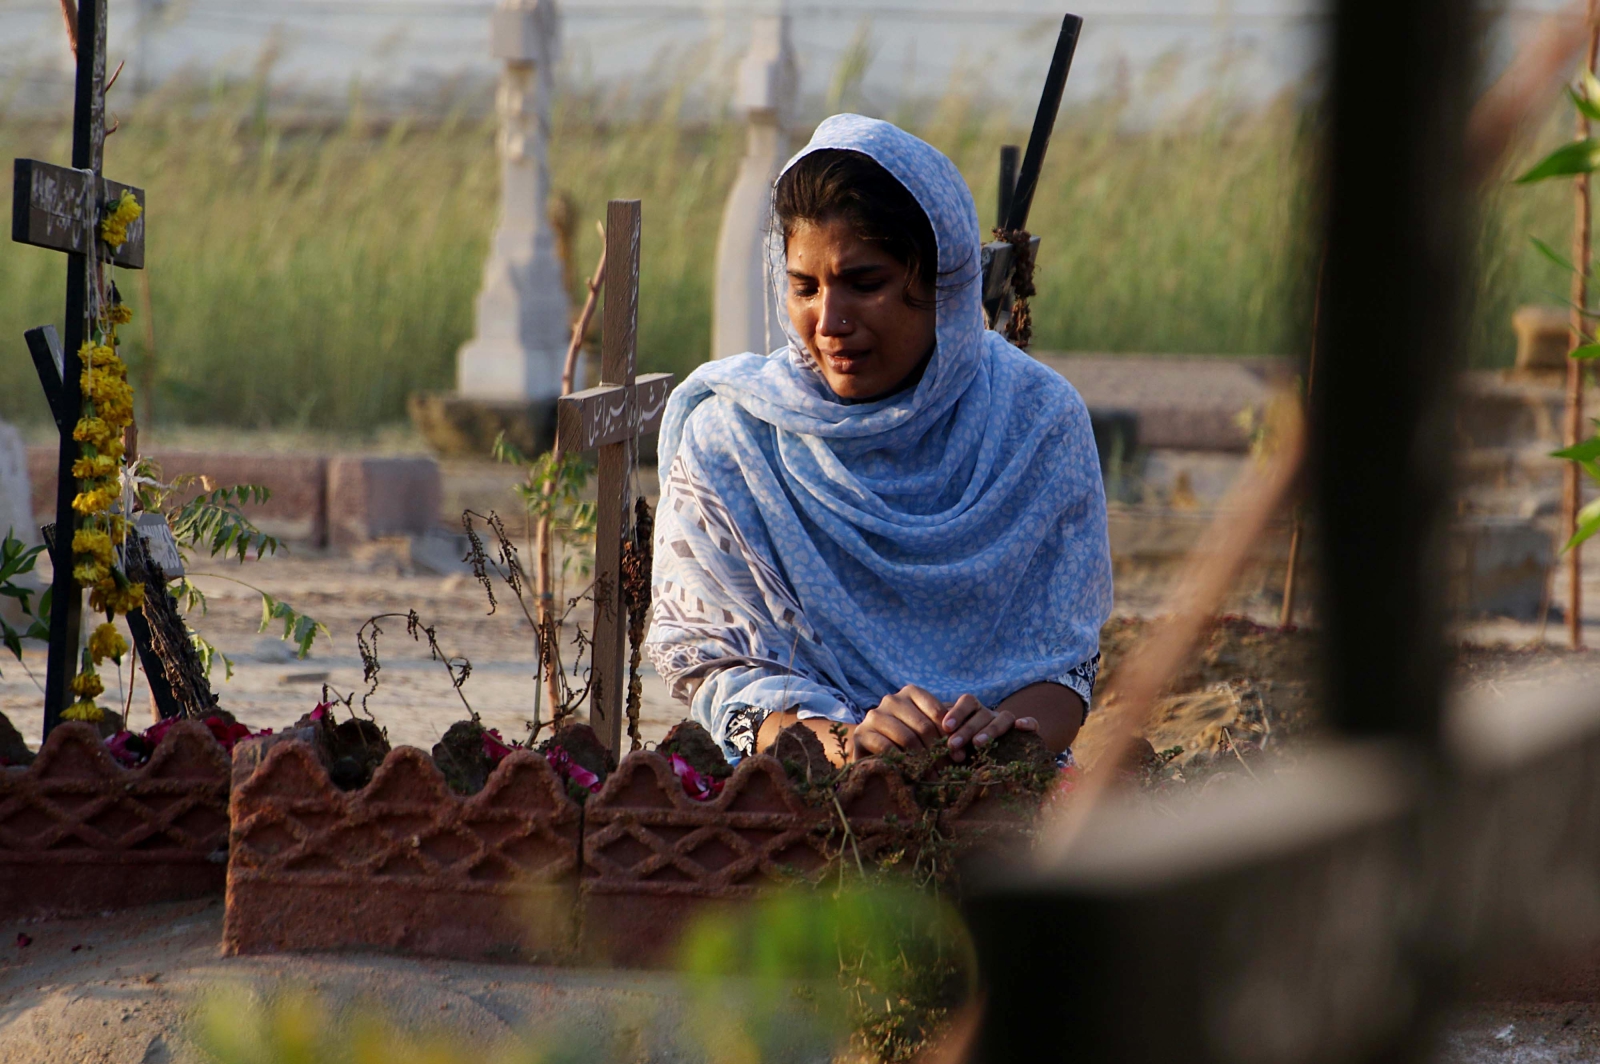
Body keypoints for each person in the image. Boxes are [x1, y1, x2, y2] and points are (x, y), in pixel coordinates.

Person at [645, 114, 1111, 765]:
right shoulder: (734, 440)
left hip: (996, 809)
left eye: (865, 284)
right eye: (804, 287)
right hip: (784, 810)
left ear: (943, 282)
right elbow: (720, 675)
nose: (830, 322)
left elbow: (1066, 667)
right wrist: (847, 744)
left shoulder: (1037, 424)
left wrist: (999, 735)